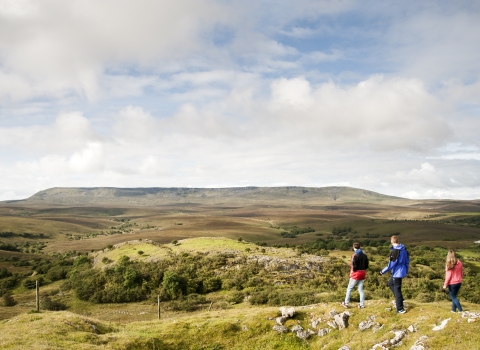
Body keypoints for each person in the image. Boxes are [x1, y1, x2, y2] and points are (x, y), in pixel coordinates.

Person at [379, 235, 409, 314]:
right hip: (402, 271)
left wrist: (382, 271)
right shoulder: (404, 249)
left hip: (397, 273)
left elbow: (390, 265)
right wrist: (406, 270)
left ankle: (400, 309)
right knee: (390, 283)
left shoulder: (395, 251)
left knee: (397, 289)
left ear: (392, 242)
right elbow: (407, 261)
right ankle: (400, 299)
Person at [341, 242, 369, 308]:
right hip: (363, 273)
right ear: (360, 247)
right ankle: (362, 305)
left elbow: (354, 266)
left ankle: (346, 303)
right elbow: (367, 266)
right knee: (361, 290)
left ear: (353, 247)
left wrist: (352, 272)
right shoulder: (365, 255)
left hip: (356, 274)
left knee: (349, 288)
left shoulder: (355, 255)